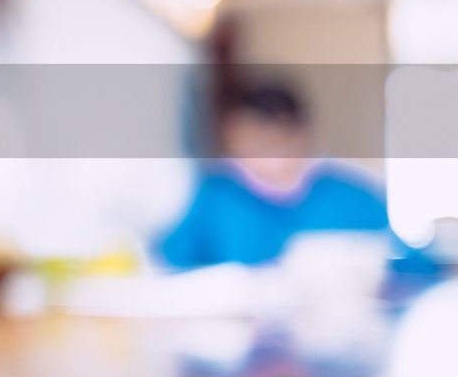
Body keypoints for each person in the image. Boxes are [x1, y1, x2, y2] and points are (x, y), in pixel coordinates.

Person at [159, 84, 438, 275]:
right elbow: (168, 265)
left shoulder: (356, 195)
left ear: (304, 133)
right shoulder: (214, 196)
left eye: (277, 141)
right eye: (254, 144)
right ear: (232, 140)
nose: (268, 156)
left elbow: (417, 269)